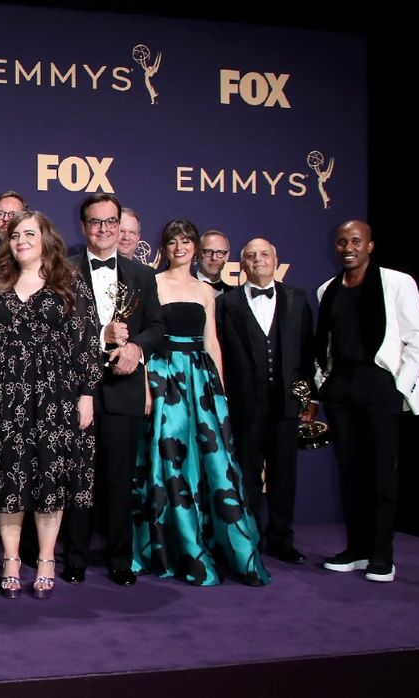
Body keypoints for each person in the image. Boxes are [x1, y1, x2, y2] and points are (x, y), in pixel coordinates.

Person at [0, 211, 101, 599]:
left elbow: (87, 342)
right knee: (8, 473)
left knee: (49, 475)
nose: (20, 240)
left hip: (54, 392)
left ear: (46, 238)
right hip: (2, 391)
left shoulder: (68, 281)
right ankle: (10, 559)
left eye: (29, 234)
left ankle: (45, 559)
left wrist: (87, 393)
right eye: (14, 236)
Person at [132, 219, 270, 587]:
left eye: (186, 241)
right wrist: (146, 388)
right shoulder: (153, 283)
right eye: (173, 242)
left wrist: (219, 391)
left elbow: (212, 342)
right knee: (168, 462)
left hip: (201, 379)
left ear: (195, 247)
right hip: (164, 377)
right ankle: (173, 549)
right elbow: (144, 340)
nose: (180, 248)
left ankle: (213, 545)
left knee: (211, 461)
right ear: (164, 246)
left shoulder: (206, 291)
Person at [316, 220, 419, 583]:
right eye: (341, 242)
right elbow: (327, 346)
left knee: (381, 473)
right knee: (351, 473)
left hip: (380, 385)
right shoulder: (327, 290)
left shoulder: (398, 283)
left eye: (355, 241)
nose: (348, 247)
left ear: (370, 246)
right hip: (342, 389)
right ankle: (357, 550)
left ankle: (383, 555)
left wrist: (400, 387)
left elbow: (418, 339)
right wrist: (325, 382)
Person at [62, 192, 164, 587]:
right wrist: (99, 336)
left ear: (120, 227)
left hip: (124, 390)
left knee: (120, 480)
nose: (103, 230)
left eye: (110, 222)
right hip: (75, 392)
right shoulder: (64, 272)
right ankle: (74, 558)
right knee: (77, 479)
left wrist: (136, 348)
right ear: (83, 226)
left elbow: (157, 327)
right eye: (95, 222)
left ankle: (121, 559)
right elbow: (56, 332)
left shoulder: (143, 275)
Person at [216, 238, 315, 565]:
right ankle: (249, 539)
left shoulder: (297, 299)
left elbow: (306, 352)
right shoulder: (226, 303)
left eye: (264, 255)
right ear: (242, 264)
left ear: (276, 260)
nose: (257, 260)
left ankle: (282, 540)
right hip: (245, 405)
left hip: (286, 405)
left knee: (285, 475)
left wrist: (306, 398)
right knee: (245, 474)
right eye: (250, 256)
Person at [197, 230, 232, 295]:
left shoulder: (232, 294)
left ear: (227, 257)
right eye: (208, 251)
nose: (214, 258)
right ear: (198, 253)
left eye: (220, 252)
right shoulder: (183, 288)